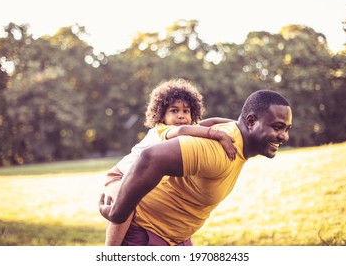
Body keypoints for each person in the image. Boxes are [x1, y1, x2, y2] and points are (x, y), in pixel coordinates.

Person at [99, 89, 292, 246]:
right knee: (122, 213)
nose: (284, 136)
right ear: (250, 121)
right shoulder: (213, 148)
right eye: (277, 127)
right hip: (127, 189)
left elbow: (212, 121)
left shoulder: (227, 135)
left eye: (286, 129)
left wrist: (235, 124)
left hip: (173, 237)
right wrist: (117, 212)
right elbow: (150, 157)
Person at [103, 78, 236, 245]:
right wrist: (217, 134)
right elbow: (183, 130)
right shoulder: (164, 130)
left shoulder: (187, 128)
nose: (181, 115)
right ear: (161, 115)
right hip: (120, 177)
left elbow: (213, 121)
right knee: (124, 207)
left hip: (138, 177)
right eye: (174, 111)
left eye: (186, 111)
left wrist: (240, 127)